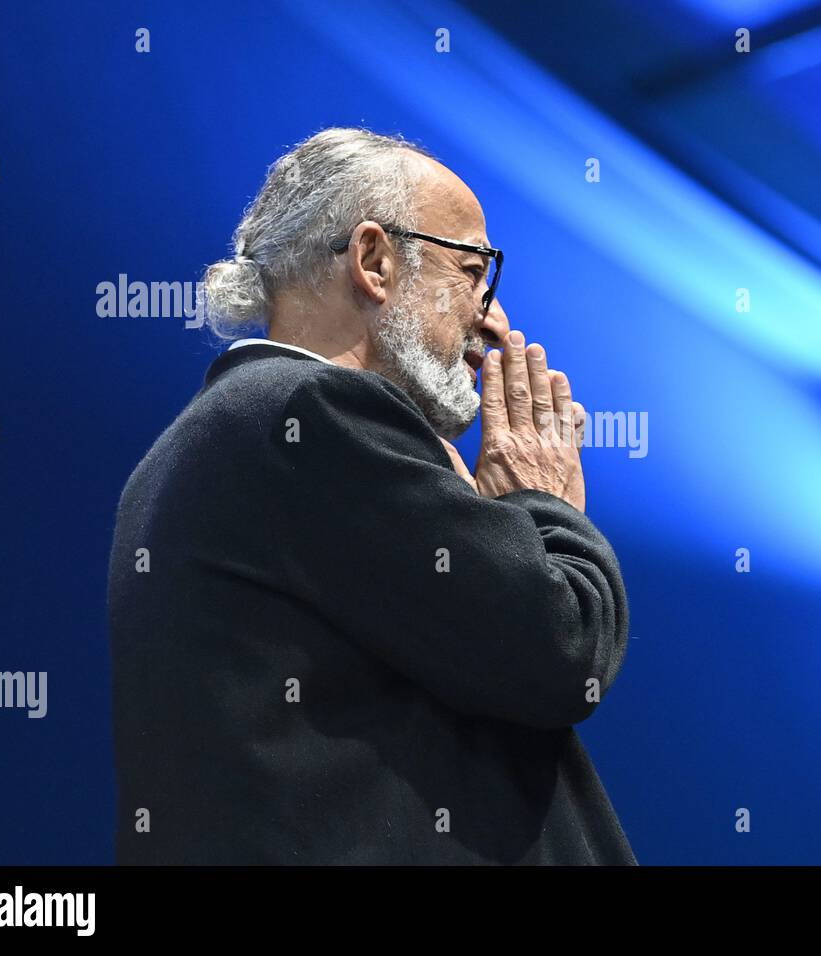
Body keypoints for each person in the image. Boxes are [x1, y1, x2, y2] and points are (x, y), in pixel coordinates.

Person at [108, 128, 635, 864]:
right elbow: (563, 649)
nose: (493, 318)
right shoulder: (310, 414)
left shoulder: (214, 441)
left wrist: (489, 535)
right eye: (473, 271)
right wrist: (546, 511)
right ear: (375, 260)